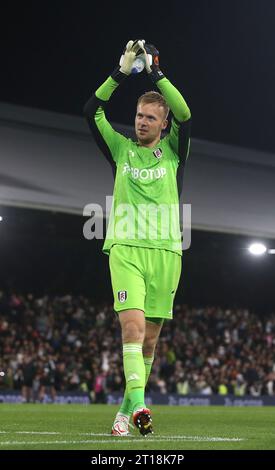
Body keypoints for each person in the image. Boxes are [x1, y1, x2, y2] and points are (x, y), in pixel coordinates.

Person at [84, 40, 191, 436]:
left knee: (148, 344)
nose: (142, 121)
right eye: (138, 115)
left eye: (150, 117)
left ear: (163, 124)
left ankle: (125, 411)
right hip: (126, 250)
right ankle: (142, 405)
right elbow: (91, 111)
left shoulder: (176, 152)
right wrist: (119, 73)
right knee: (131, 328)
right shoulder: (121, 150)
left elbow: (185, 112)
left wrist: (155, 73)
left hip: (167, 253)